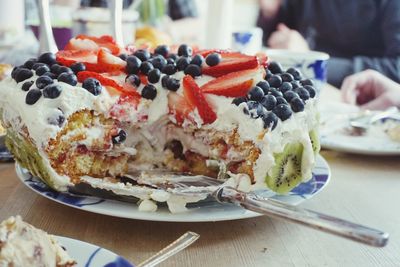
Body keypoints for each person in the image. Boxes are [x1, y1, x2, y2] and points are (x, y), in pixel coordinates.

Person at [257, 0, 400, 88]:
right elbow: (269, 42)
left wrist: (311, 61)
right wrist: (270, 14)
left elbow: (396, 67)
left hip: (362, 105)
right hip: (307, 93)